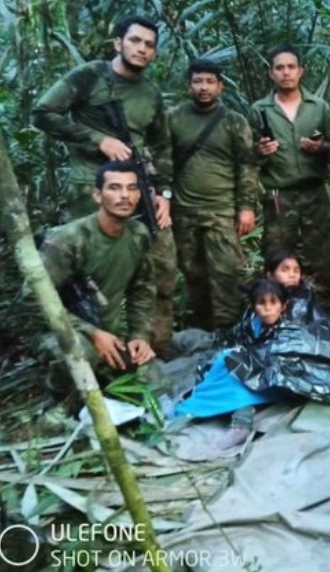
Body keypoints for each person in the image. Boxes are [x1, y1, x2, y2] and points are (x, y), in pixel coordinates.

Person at [32, 15, 177, 356]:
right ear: (118, 43)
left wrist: (165, 194)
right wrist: (98, 140)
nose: (141, 49)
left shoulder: (151, 94)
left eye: (149, 45)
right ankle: (85, 347)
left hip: (139, 189)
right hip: (90, 191)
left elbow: (163, 148)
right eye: (135, 41)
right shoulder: (89, 77)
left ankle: (151, 347)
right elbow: (42, 113)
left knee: (160, 266)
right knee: (86, 273)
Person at [39, 162, 156, 382]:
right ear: (97, 195)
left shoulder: (138, 235)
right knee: (81, 355)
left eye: (131, 188)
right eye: (114, 188)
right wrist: (91, 333)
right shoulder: (69, 241)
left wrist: (139, 336)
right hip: (57, 330)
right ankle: (59, 406)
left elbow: (142, 290)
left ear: (139, 195)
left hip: (107, 331)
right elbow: (33, 301)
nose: (124, 195)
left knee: (153, 379)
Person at [168, 58, 258, 330]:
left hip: (222, 210)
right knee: (194, 273)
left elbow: (247, 165)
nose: (203, 87)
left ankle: (228, 330)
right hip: (183, 210)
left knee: (226, 273)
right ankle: (202, 329)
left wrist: (246, 207)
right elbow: (162, 160)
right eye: (197, 81)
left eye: (210, 82)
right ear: (188, 86)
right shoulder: (173, 118)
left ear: (220, 87)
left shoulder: (234, 122)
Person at [250, 44, 330, 310]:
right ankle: (278, 308)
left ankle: (326, 310)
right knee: (277, 252)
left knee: (323, 251)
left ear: (301, 71)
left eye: (291, 67)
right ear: (271, 73)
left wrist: (320, 148)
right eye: (280, 68)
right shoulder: (260, 109)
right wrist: (260, 151)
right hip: (279, 194)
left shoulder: (318, 107)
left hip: (314, 192)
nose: (286, 73)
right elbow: (248, 154)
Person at [173, 279, 290, 450]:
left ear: (284, 305)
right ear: (253, 306)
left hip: (274, 379)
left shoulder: (292, 330)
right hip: (251, 372)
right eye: (261, 303)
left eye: (274, 302)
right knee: (225, 360)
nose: (268, 308)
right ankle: (207, 406)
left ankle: (240, 424)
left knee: (236, 378)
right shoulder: (252, 324)